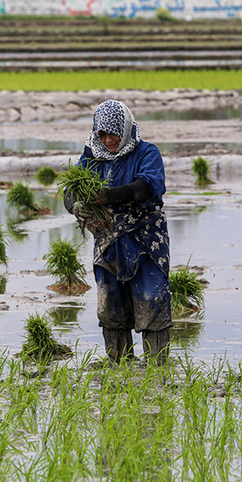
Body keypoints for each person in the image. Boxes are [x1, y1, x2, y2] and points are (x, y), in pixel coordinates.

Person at [64, 99, 172, 364]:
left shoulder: (147, 153)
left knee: (151, 300)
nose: (108, 140)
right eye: (102, 134)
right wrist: (75, 206)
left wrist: (109, 196)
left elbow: (147, 186)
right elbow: (71, 189)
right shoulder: (92, 156)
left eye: (113, 133)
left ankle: (157, 368)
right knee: (110, 306)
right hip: (108, 242)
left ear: (125, 129)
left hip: (145, 242)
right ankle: (119, 365)